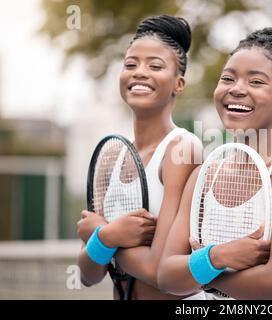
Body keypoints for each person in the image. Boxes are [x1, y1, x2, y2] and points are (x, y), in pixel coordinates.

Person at [157, 27, 272, 299]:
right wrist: (219, 256)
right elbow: (167, 275)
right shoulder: (203, 175)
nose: (237, 89)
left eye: (256, 82)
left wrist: (202, 273)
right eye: (228, 78)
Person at [76, 15, 204, 300]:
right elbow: (87, 275)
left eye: (155, 66)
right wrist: (109, 236)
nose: (139, 72)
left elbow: (163, 271)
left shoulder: (182, 150)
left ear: (178, 84)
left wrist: (104, 238)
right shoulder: (112, 157)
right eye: (130, 64)